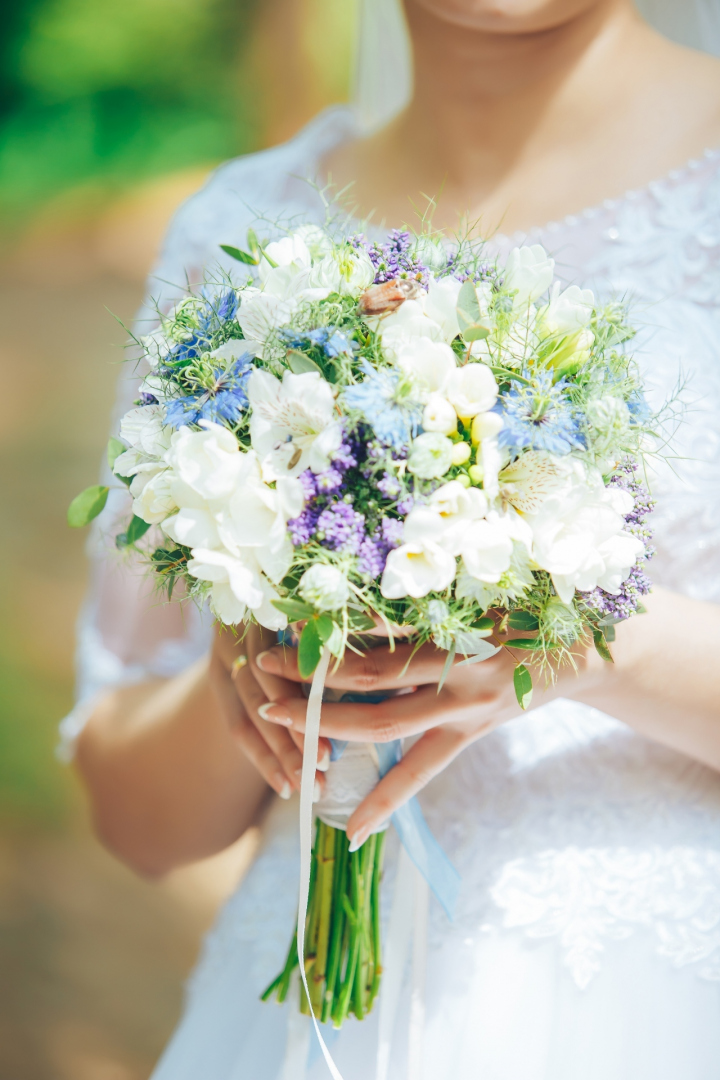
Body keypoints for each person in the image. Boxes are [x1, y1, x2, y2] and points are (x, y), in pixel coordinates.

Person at [66, 0, 720, 1076]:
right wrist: (251, 674)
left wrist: (585, 640)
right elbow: (137, 821)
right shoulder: (242, 227)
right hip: (308, 1032)